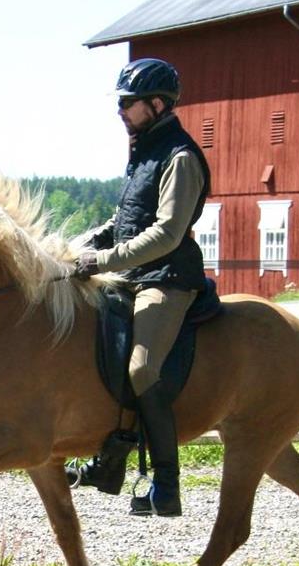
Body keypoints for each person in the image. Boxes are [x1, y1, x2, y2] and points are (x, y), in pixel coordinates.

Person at [72, 57, 211, 518]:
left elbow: (168, 233)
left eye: (127, 103)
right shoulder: (145, 149)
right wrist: (81, 245)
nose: (120, 110)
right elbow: (126, 218)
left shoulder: (181, 157)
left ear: (157, 104)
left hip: (166, 278)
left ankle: (165, 486)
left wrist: (103, 261)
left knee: (142, 369)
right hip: (132, 275)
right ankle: (109, 459)